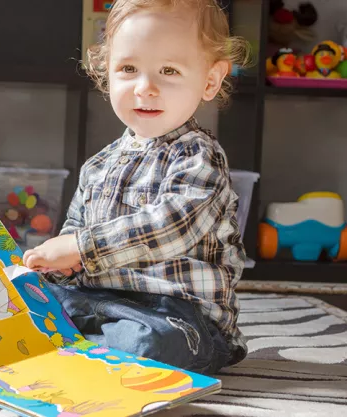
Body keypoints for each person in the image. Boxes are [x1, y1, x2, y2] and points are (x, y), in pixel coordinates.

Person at [22, 0, 251, 375]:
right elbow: (73, 233)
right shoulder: (99, 164)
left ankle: (81, 353)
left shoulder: (199, 157)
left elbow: (172, 227)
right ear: (106, 72)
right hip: (96, 298)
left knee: (149, 343)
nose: (145, 88)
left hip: (176, 310)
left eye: (169, 70)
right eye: (129, 68)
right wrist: (53, 264)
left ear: (210, 80)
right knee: (20, 303)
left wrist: (82, 247)